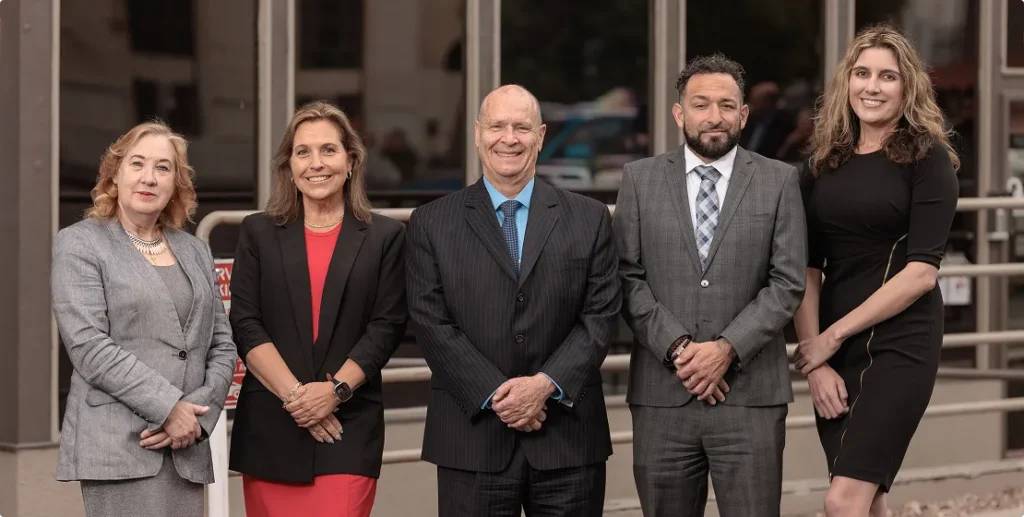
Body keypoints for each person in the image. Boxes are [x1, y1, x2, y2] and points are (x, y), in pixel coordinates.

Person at [406, 84, 621, 517]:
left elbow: (600, 316)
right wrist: (499, 395)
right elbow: (430, 322)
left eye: (522, 127)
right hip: (471, 440)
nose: (509, 138)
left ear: (540, 136)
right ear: (477, 133)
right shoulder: (431, 223)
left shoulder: (590, 218)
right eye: (497, 126)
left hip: (568, 440)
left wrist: (543, 387)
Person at [613, 53, 807, 517]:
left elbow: (788, 281)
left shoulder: (780, 180)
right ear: (680, 113)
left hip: (751, 399)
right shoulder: (639, 180)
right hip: (663, 398)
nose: (713, 117)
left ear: (743, 114)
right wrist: (680, 349)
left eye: (726, 105)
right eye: (701, 104)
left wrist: (725, 349)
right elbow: (625, 275)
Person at [792, 24, 960, 517]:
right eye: (862, 73)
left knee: (842, 501)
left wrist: (830, 338)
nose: (872, 86)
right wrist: (817, 360)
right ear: (846, 83)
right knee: (869, 502)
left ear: (908, 87)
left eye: (888, 76)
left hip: (901, 344)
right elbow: (806, 268)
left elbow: (921, 274)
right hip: (834, 352)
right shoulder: (820, 165)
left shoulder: (929, 161)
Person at [227, 101, 407, 517]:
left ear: (351, 160)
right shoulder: (257, 232)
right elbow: (246, 324)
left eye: (329, 150)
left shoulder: (385, 237)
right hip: (273, 427)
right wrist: (297, 399)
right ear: (289, 166)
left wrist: (335, 392)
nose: (316, 163)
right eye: (303, 152)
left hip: (346, 428)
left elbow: (387, 326)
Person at [51, 121, 237, 517]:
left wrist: (196, 415)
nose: (149, 177)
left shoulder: (195, 250)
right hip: (121, 447)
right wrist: (169, 407)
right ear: (115, 175)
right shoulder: (80, 243)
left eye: (163, 168)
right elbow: (89, 347)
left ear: (176, 184)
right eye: (137, 164)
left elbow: (222, 343)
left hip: (186, 449)